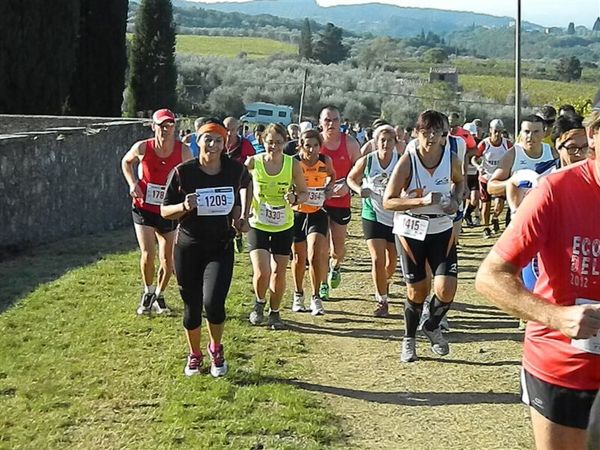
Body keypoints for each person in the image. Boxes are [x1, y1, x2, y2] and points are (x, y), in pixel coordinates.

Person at [475, 103, 600, 450]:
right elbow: (490, 276)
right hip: (564, 366)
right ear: (593, 134)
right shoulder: (556, 190)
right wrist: (556, 316)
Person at [161, 120, 248, 377]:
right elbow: (165, 211)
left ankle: (216, 348)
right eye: (207, 139)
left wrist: (241, 215)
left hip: (220, 245)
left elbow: (245, 184)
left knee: (214, 303)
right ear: (197, 142)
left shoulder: (234, 170)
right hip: (188, 246)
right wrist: (185, 207)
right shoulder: (182, 172)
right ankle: (194, 354)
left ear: (225, 143)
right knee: (192, 306)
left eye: (218, 140)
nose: (212, 144)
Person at [383, 110, 464, 362]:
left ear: (444, 135)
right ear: (416, 133)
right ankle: (409, 339)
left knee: (447, 288)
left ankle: (432, 325)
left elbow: (460, 183)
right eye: (425, 132)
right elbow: (388, 201)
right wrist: (421, 201)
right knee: (417, 290)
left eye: (436, 132)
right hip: (411, 230)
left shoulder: (450, 158)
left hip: (441, 227)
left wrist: (456, 200)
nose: (430, 137)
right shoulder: (408, 161)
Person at [121, 108, 192, 315]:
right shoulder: (143, 147)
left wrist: (182, 197)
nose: (166, 130)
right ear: (153, 127)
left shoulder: (183, 151)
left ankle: (159, 295)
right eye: (162, 126)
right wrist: (133, 182)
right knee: (147, 253)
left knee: (168, 258)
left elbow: (190, 175)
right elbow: (126, 162)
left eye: (170, 125)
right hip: (143, 207)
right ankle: (148, 291)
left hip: (168, 210)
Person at [246, 123, 308, 330]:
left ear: (285, 142)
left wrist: (294, 197)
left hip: (283, 224)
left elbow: (304, 192)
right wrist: (243, 212)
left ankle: (275, 312)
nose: (274, 147)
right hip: (258, 223)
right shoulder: (253, 162)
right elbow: (240, 183)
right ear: (262, 141)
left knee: (278, 272)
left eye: (279, 143)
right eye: (270, 142)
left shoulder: (293, 165)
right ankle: (259, 303)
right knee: (262, 271)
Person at [347, 124, 399, 317]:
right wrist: (359, 189)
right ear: (375, 142)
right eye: (382, 140)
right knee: (377, 259)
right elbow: (350, 178)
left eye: (389, 140)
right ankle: (382, 300)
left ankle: (383, 283)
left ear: (395, 142)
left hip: (395, 216)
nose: (385, 144)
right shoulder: (368, 160)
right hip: (372, 213)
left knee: (392, 261)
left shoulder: (401, 161)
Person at [290, 130, 335, 316]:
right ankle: (298, 294)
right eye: (308, 145)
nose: (312, 149)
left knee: (316, 254)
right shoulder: (293, 162)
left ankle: (316, 297)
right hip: (297, 213)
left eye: (315, 145)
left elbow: (332, 175)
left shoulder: (325, 161)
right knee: (299, 258)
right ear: (301, 145)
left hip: (317, 213)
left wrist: (329, 188)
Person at [318, 105, 361, 299]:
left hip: (341, 201)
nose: (331, 124)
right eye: (327, 120)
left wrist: (349, 187)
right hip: (319, 201)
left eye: (334, 120)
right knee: (321, 246)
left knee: (338, 249)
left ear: (340, 122)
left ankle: (336, 267)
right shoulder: (315, 143)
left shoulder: (350, 143)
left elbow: (361, 171)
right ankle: (323, 283)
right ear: (320, 123)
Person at [487, 115, 557, 216]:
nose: (530, 136)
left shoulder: (553, 153)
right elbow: (491, 187)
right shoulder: (512, 154)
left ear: (544, 133)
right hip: (519, 214)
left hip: (547, 213)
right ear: (521, 133)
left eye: (536, 132)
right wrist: (514, 183)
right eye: (527, 132)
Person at [472, 119, 512, 238]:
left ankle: (495, 218)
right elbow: (474, 158)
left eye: (499, 131)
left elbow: (515, 156)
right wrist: (478, 166)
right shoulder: (485, 144)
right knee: (486, 204)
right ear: (490, 130)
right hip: (485, 177)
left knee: (499, 204)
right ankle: (486, 227)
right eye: (495, 131)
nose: (497, 134)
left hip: (500, 178)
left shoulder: (507, 144)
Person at [448, 113, 478, 227]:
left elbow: (474, 149)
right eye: (450, 126)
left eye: (454, 126)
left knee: (460, 197)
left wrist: (464, 154)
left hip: (460, 171)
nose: (452, 129)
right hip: (446, 172)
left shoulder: (464, 135)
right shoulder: (443, 135)